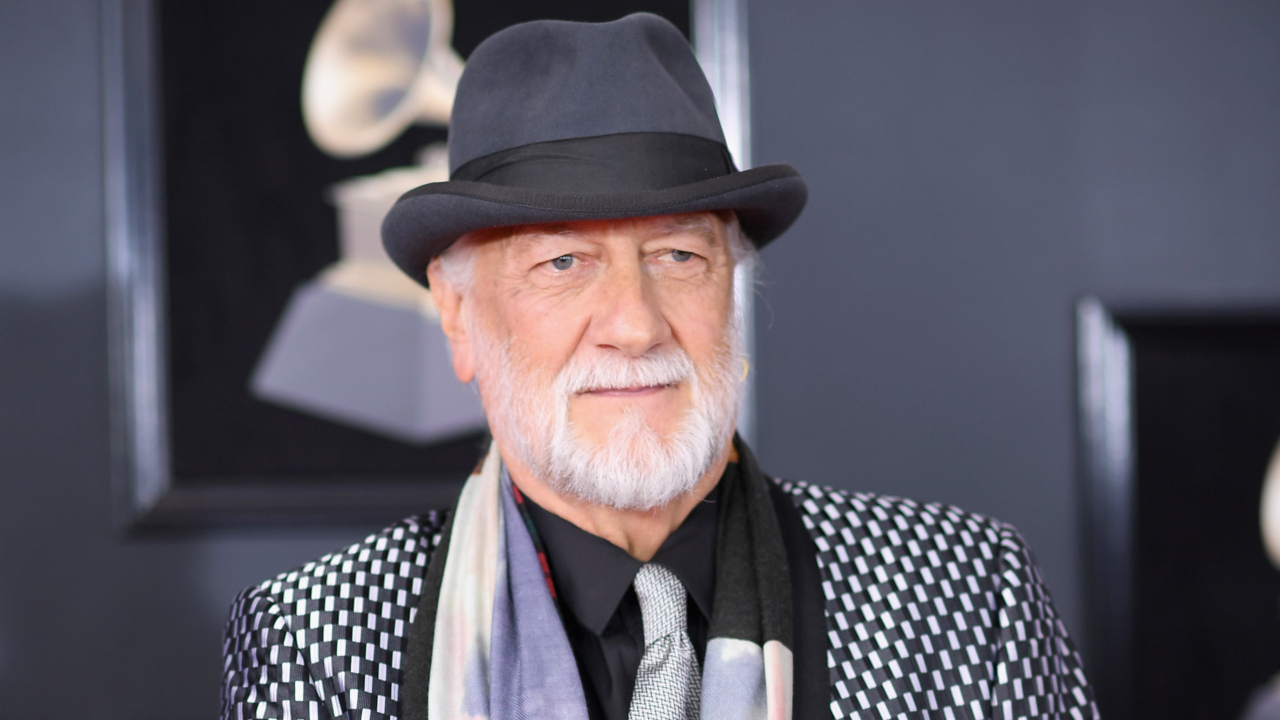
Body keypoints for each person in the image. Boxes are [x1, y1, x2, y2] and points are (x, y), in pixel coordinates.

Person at [221, 13, 1098, 720]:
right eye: (562, 263)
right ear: (459, 317)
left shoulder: (964, 597)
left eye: (679, 256)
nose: (636, 326)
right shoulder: (313, 642)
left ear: (732, 290)